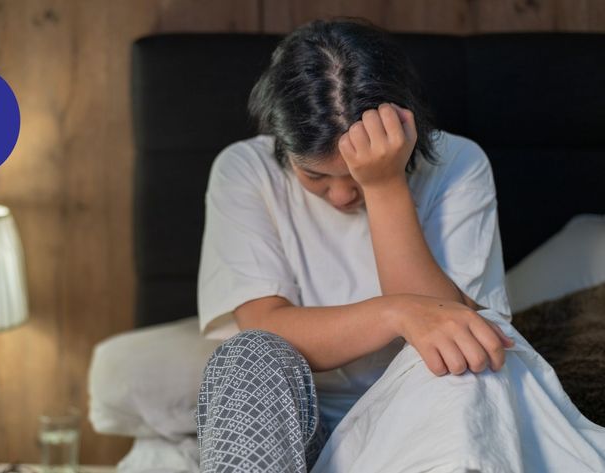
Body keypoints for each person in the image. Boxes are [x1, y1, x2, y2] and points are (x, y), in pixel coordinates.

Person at [194, 17, 605, 473]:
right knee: (246, 357)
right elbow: (265, 326)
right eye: (315, 176)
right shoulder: (245, 170)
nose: (343, 195)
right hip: (298, 433)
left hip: (423, 415)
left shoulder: (458, 164)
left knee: (467, 355)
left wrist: (386, 186)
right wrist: (398, 312)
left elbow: (452, 327)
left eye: (354, 178)